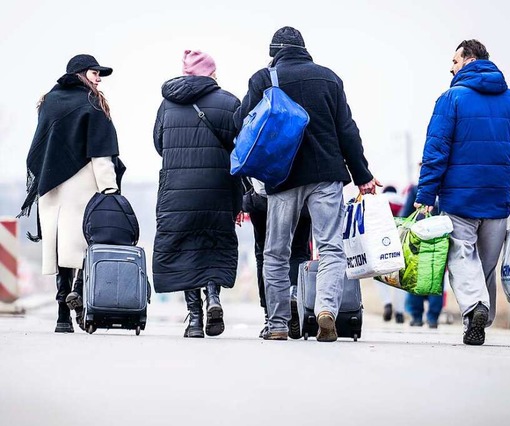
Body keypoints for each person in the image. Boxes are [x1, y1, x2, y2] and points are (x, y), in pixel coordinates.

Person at [234, 26, 380, 342]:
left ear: (274, 52)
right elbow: (347, 131)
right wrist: (363, 176)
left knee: (276, 252)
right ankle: (326, 310)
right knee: (330, 248)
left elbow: (240, 122)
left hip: (282, 177)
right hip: (326, 175)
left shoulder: (263, 78)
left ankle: (277, 325)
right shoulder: (329, 78)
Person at [413, 40, 510, 345]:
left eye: (454, 60)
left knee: (460, 255)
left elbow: (436, 149)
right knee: (485, 265)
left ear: (468, 60)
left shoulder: (451, 99)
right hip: (497, 200)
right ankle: (477, 319)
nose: (451, 67)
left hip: (459, 198)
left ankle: (475, 308)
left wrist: (426, 195)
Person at [19, 54, 123, 333]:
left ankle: (62, 315)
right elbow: (101, 152)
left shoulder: (49, 102)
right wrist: (110, 189)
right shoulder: (93, 102)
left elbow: (41, 145)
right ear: (79, 74)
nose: (99, 79)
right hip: (82, 184)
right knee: (84, 245)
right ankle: (79, 299)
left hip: (51, 186)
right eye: (94, 73)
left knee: (59, 246)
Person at [152, 50, 243, 338]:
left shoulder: (167, 105)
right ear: (211, 73)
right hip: (218, 187)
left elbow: (159, 143)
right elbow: (241, 148)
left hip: (177, 190)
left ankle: (194, 319)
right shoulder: (229, 103)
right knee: (214, 244)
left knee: (184, 250)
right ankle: (213, 297)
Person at [242, 178, 312, 339]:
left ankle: (271, 317)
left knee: (265, 254)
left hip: (262, 197)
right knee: (299, 251)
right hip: (299, 192)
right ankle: (294, 293)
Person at [401, 183, 444, 328]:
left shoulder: (416, 189)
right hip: (439, 240)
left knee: (415, 276)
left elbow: (406, 213)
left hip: (417, 240)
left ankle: (417, 316)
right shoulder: (445, 187)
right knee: (436, 277)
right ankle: (433, 318)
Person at [377, 185, 405, 324]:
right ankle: (399, 312)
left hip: (382, 243)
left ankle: (387, 303)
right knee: (400, 279)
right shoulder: (403, 201)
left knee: (381, 276)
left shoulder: (379, 201)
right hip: (401, 243)